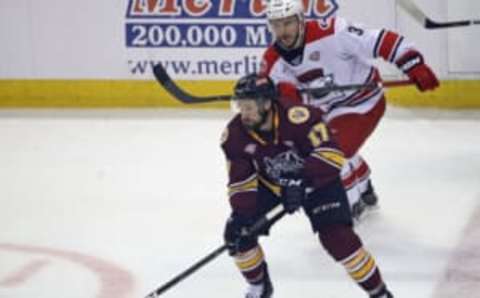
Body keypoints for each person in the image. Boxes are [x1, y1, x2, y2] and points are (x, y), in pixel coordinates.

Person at [260, 0, 439, 219]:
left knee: (329, 153)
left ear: (301, 20)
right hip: (326, 113)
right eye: (276, 25)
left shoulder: (333, 32)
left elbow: (381, 40)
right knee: (326, 148)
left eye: (288, 23)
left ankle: (351, 208)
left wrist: (412, 64)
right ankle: (364, 186)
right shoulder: (272, 60)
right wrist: (286, 98)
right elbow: (282, 101)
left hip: (362, 103)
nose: (283, 31)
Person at [221, 73, 394, 298]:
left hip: (319, 183)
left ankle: (379, 292)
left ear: (267, 103)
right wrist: (242, 215)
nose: (244, 114)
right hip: (272, 186)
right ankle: (259, 287)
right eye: (240, 107)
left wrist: (302, 180)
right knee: (236, 234)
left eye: (249, 107)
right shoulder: (235, 135)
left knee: (339, 239)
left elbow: (332, 156)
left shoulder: (299, 118)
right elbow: (240, 182)